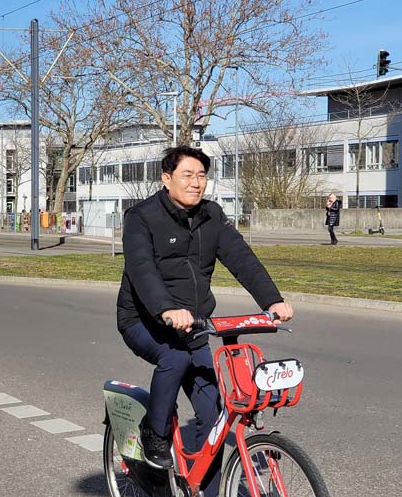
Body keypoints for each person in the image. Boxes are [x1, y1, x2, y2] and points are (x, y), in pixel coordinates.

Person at [117, 145, 293, 470]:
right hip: (144, 320)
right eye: (188, 175)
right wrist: (165, 309)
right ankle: (154, 434)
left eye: (201, 175)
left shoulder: (212, 216)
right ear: (167, 179)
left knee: (215, 417)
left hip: (194, 325)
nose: (196, 182)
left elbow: (243, 259)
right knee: (175, 356)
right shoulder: (141, 217)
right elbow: (142, 269)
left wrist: (272, 300)